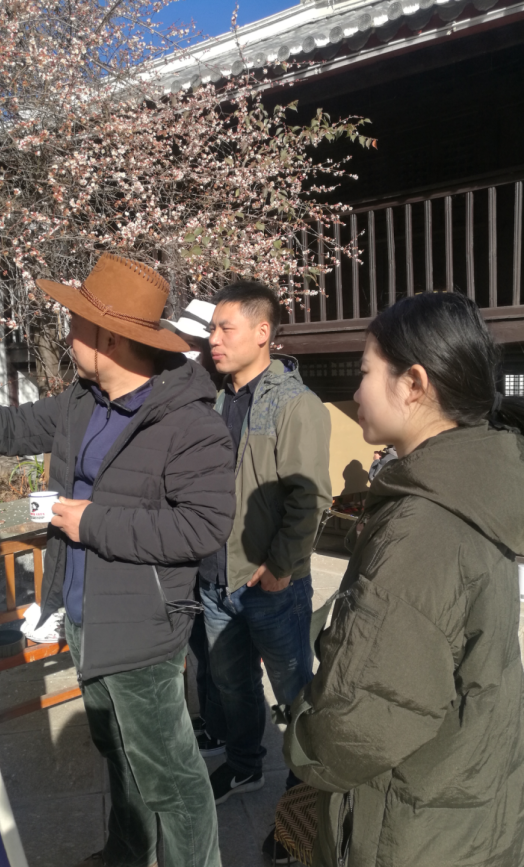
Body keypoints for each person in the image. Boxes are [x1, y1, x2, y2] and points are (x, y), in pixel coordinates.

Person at [0, 253, 236, 867]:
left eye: (76, 323)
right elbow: (4, 428)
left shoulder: (190, 425)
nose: (67, 333)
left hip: (142, 633)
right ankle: (126, 853)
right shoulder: (83, 402)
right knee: (118, 758)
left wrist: (90, 520)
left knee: (172, 781)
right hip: (84, 619)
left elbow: (203, 527)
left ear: (111, 338)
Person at [284, 292, 524, 867]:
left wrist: (300, 732)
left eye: (366, 372)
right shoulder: (473, 485)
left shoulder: (422, 529)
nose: (356, 391)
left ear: (413, 384)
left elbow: (356, 729)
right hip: (461, 803)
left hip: (409, 826)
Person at [198, 283, 332, 828]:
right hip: (215, 578)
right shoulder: (214, 399)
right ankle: (244, 764)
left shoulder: (295, 404)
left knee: (294, 690)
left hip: (270, 583)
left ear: (262, 333)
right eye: (212, 328)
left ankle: (306, 792)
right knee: (232, 686)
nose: (213, 339)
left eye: (224, 328)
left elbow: (309, 497)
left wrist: (279, 567)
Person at [162, 298, 223, 753]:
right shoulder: (180, 391)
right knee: (198, 647)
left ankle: (221, 727)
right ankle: (210, 721)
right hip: (183, 548)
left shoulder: (217, 402)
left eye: (189, 344)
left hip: (213, 548)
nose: (181, 351)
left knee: (216, 653)